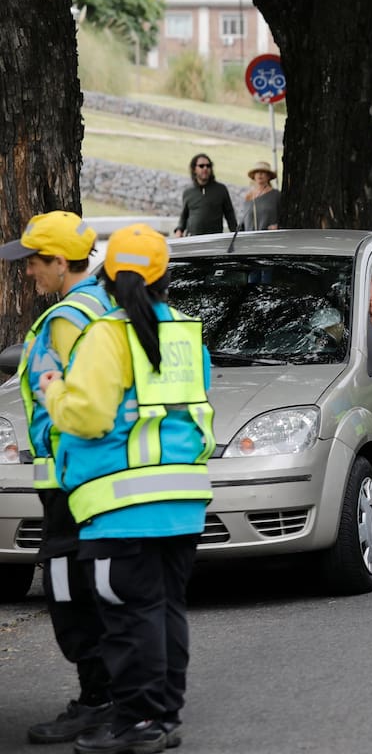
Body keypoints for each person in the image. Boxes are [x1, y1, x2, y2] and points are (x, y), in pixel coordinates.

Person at [38, 223, 215, 754]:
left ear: (109, 276)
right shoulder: (186, 332)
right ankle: (160, 717)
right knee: (165, 610)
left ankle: (137, 723)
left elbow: (88, 417)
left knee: (127, 617)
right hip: (182, 503)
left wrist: (54, 392)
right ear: (165, 276)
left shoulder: (107, 335)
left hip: (120, 506)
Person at [0, 212, 115, 745]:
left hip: (74, 486)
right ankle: (114, 696)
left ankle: (99, 701)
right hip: (86, 482)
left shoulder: (72, 317)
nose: (27, 273)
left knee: (71, 594)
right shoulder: (101, 303)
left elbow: (89, 403)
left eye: (32, 262)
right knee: (94, 589)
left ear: (60, 262)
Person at [174, 153, 237, 237]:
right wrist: (179, 230)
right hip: (192, 239)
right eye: (201, 166)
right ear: (194, 169)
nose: (205, 168)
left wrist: (236, 235)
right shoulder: (188, 192)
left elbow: (230, 215)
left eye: (208, 166)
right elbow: (184, 216)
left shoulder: (221, 190)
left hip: (214, 240)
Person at [241, 161, 281, 231]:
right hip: (250, 239)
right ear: (254, 175)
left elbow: (284, 217)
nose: (260, 174)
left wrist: (278, 226)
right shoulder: (248, 196)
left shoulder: (276, 195)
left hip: (269, 238)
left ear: (268, 176)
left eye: (263, 172)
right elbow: (244, 222)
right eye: (257, 172)